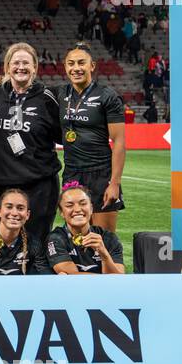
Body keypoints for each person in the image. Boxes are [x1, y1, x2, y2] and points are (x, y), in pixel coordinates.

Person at [0, 42, 62, 245]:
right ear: (7, 67)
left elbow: (61, 135)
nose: (21, 67)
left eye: (26, 63)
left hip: (38, 186)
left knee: (34, 245)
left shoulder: (47, 98)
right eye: (15, 63)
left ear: (35, 67)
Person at [52, 43, 128, 231]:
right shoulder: (59, 93)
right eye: (71, 64)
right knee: (77, 238)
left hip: (101, 174)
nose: (76, 68)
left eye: (81, 63)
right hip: (72, 173)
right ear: (65, 66)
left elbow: (119, 141)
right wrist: (0, 79)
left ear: (92, 66)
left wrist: (114, 183)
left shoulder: (107, 95)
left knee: (104, 239)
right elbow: (27, 85)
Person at [45, 183, 126, 275]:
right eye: (69, 205)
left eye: (83, 203)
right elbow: (73, 275)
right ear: (62, 212)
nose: (77, 209)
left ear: (91, 209)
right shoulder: (56, 239)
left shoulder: (109, 238)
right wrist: (107, 278)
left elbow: (118, 280)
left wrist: (104, 254)